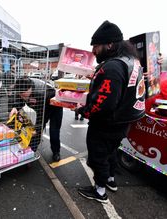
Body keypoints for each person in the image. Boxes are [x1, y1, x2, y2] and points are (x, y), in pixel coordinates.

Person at [75, 20, 145, 203]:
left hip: (107, 124)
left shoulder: (113, 67)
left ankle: (99, 191)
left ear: (110, 44)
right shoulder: (132, 61)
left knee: (98, 157)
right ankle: (111, 180)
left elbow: (103, 105)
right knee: (112, 151)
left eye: (96, 46)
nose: (93, 51)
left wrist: (83, 110)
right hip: (122, 123)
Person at [9, 78, 63, 162]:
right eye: (20, 94)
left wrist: (37, 129)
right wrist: (15, 107)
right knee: (35, 130)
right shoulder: (21, 87)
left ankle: (56, 152)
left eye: (24, 94)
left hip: (54, 107)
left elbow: (42, 115)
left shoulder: (42, 92)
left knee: (54, 131)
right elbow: (18, 99)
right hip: (41, 108)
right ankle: (31, 150)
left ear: (30, 88)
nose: (22, 97)